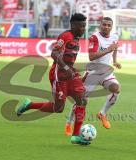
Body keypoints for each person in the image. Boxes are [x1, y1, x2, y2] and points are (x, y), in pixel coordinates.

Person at [16, 13, 90, 145]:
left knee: (82, 100)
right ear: (73, 25)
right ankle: (30, 105)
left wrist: (77, 74)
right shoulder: (66, 36)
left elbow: (69, 60)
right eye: (81, 26)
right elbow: (54, 53)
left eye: (84, 26)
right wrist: (66, 69)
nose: (83, 29)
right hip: (59, 75)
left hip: (70, 74)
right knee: (58, 108)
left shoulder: (77, 39)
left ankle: (76, 136)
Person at [65, 17, 121, 136]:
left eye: (108, 25)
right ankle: (69, 123)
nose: (106, 27)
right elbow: (91, 56)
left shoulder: (115, 36)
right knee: (82, 101)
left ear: (111, 27)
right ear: (100, 25)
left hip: (106, 72)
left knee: (116, 89)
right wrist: (108, 50)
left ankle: (102, 114)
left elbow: (115, 48)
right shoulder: (94, 38)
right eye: (104, 25)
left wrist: (115, 61)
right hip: (92, 73)